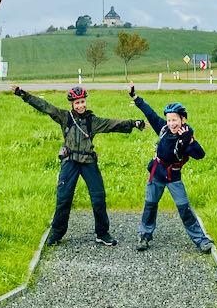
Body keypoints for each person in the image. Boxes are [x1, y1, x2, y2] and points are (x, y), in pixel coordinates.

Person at [12, 84, 146, 246]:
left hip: (88, 163)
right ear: (72, 104)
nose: (81, 105)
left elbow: (112, 124)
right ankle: (56, 234)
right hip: (70, 163)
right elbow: (45, 106)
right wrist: (23, 94)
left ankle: (102, 233)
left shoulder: (92, 121)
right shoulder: (64, 117)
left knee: (98, 198)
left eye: (82, 102)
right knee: (64, 199)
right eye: (77, 103)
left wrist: (134, 123)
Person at [128, 81, 214, 253]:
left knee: (184, 208)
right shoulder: (163, 129)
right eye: (169, 119)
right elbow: (150, 113)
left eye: (175, 119)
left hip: (173, 177)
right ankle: (144, 235)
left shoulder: (187, 137)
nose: (172, 123)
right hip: (157, 173)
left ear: (183, 119)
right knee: (150, 204)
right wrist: (135, 97)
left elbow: (200, 154)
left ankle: (201, 240)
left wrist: (190, 140)